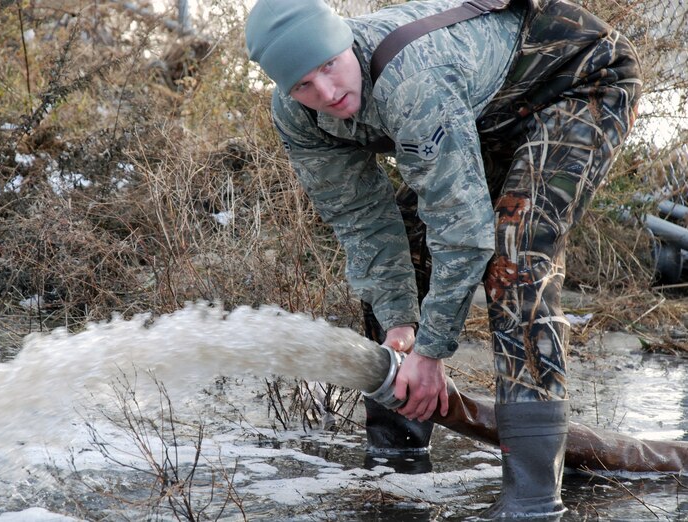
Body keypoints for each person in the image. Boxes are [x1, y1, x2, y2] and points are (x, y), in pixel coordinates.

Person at [245, 0, 641, 518]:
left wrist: (431, 351)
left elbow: (463, 232)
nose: (327, 93)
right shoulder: (298, 115)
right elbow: (363, 221)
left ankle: (533, 499)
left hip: (579, 81)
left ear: (343, 41)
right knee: (408, 237)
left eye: (328, 67)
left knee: (515, 256)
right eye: (303, 85)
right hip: (486, 109)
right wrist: (400, 327)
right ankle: (396, 451)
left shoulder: (412, 79)